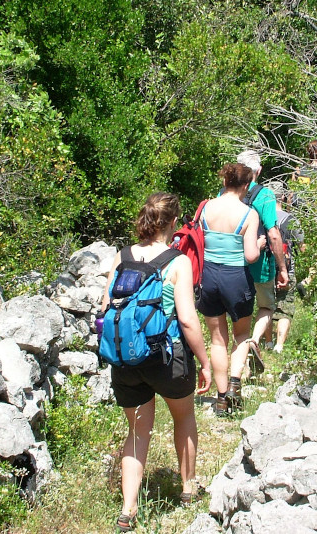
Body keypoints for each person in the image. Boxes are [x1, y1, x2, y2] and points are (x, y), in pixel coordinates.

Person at [99, 193, 212, 532]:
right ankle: (189, 488)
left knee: (137, 430)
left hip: (126, 360)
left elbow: (106, 310)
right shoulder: (177, 261)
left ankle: (128, 508)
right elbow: (189, 321)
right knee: (184, 416)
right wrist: (205, 362)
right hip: (168, 357)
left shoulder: (121, 257)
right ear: (174, 223)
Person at [195, 163, 261, 415]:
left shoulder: (206, 207)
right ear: (246, 185)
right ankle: (235, 383)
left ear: (225, 182)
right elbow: (251, 255)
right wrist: (260, 243)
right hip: (236, 278)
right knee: (241, 335)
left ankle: (221, 399)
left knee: (217, 339)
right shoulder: (248, 213)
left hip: (209, 276)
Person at [237, 150, 289, 366]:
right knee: (266, 307)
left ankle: (240, 343)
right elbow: (274, 234)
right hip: (261, 264)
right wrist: (282, 268)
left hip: (233, 263)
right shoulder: (265, 195)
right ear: (258, 171)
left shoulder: (225, 193)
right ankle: (254, 340)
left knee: (239, 308)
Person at [256, 181, 304, 353]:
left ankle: (268, 342)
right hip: (287, 269)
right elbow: (302, 246)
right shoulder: (291, 219)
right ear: (283, 197)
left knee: (265, 306)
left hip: (266, 268)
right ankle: (280, 345)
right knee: (286, 308)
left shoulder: (261, 217)